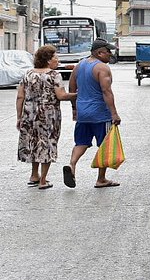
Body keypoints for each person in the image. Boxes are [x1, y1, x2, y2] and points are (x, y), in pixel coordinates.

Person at [16, 45, 77, 189]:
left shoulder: (28, 74)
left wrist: (19, 117)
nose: (58, 60)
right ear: (48, 60)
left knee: (33, 142)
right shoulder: (54, 75)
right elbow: (61, 96)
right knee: (47, 143)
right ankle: (43, 180)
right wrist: (77, 95)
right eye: (56, 57)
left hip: (29, 114)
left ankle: (34, 175)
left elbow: (20, 97)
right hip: (48, 115)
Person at [64, 39, 122, 188]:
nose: (110, 54)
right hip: (100, 114)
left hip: (83, 112)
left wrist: (75, 109)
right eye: (108, 51)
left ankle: (72, 165)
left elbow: (72, 87)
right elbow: (106, 91)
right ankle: (101, 179)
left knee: (81, 142)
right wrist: (114, 113)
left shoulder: (79, 65)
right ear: (99, 52)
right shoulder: (102, 68)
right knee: (105, 145)